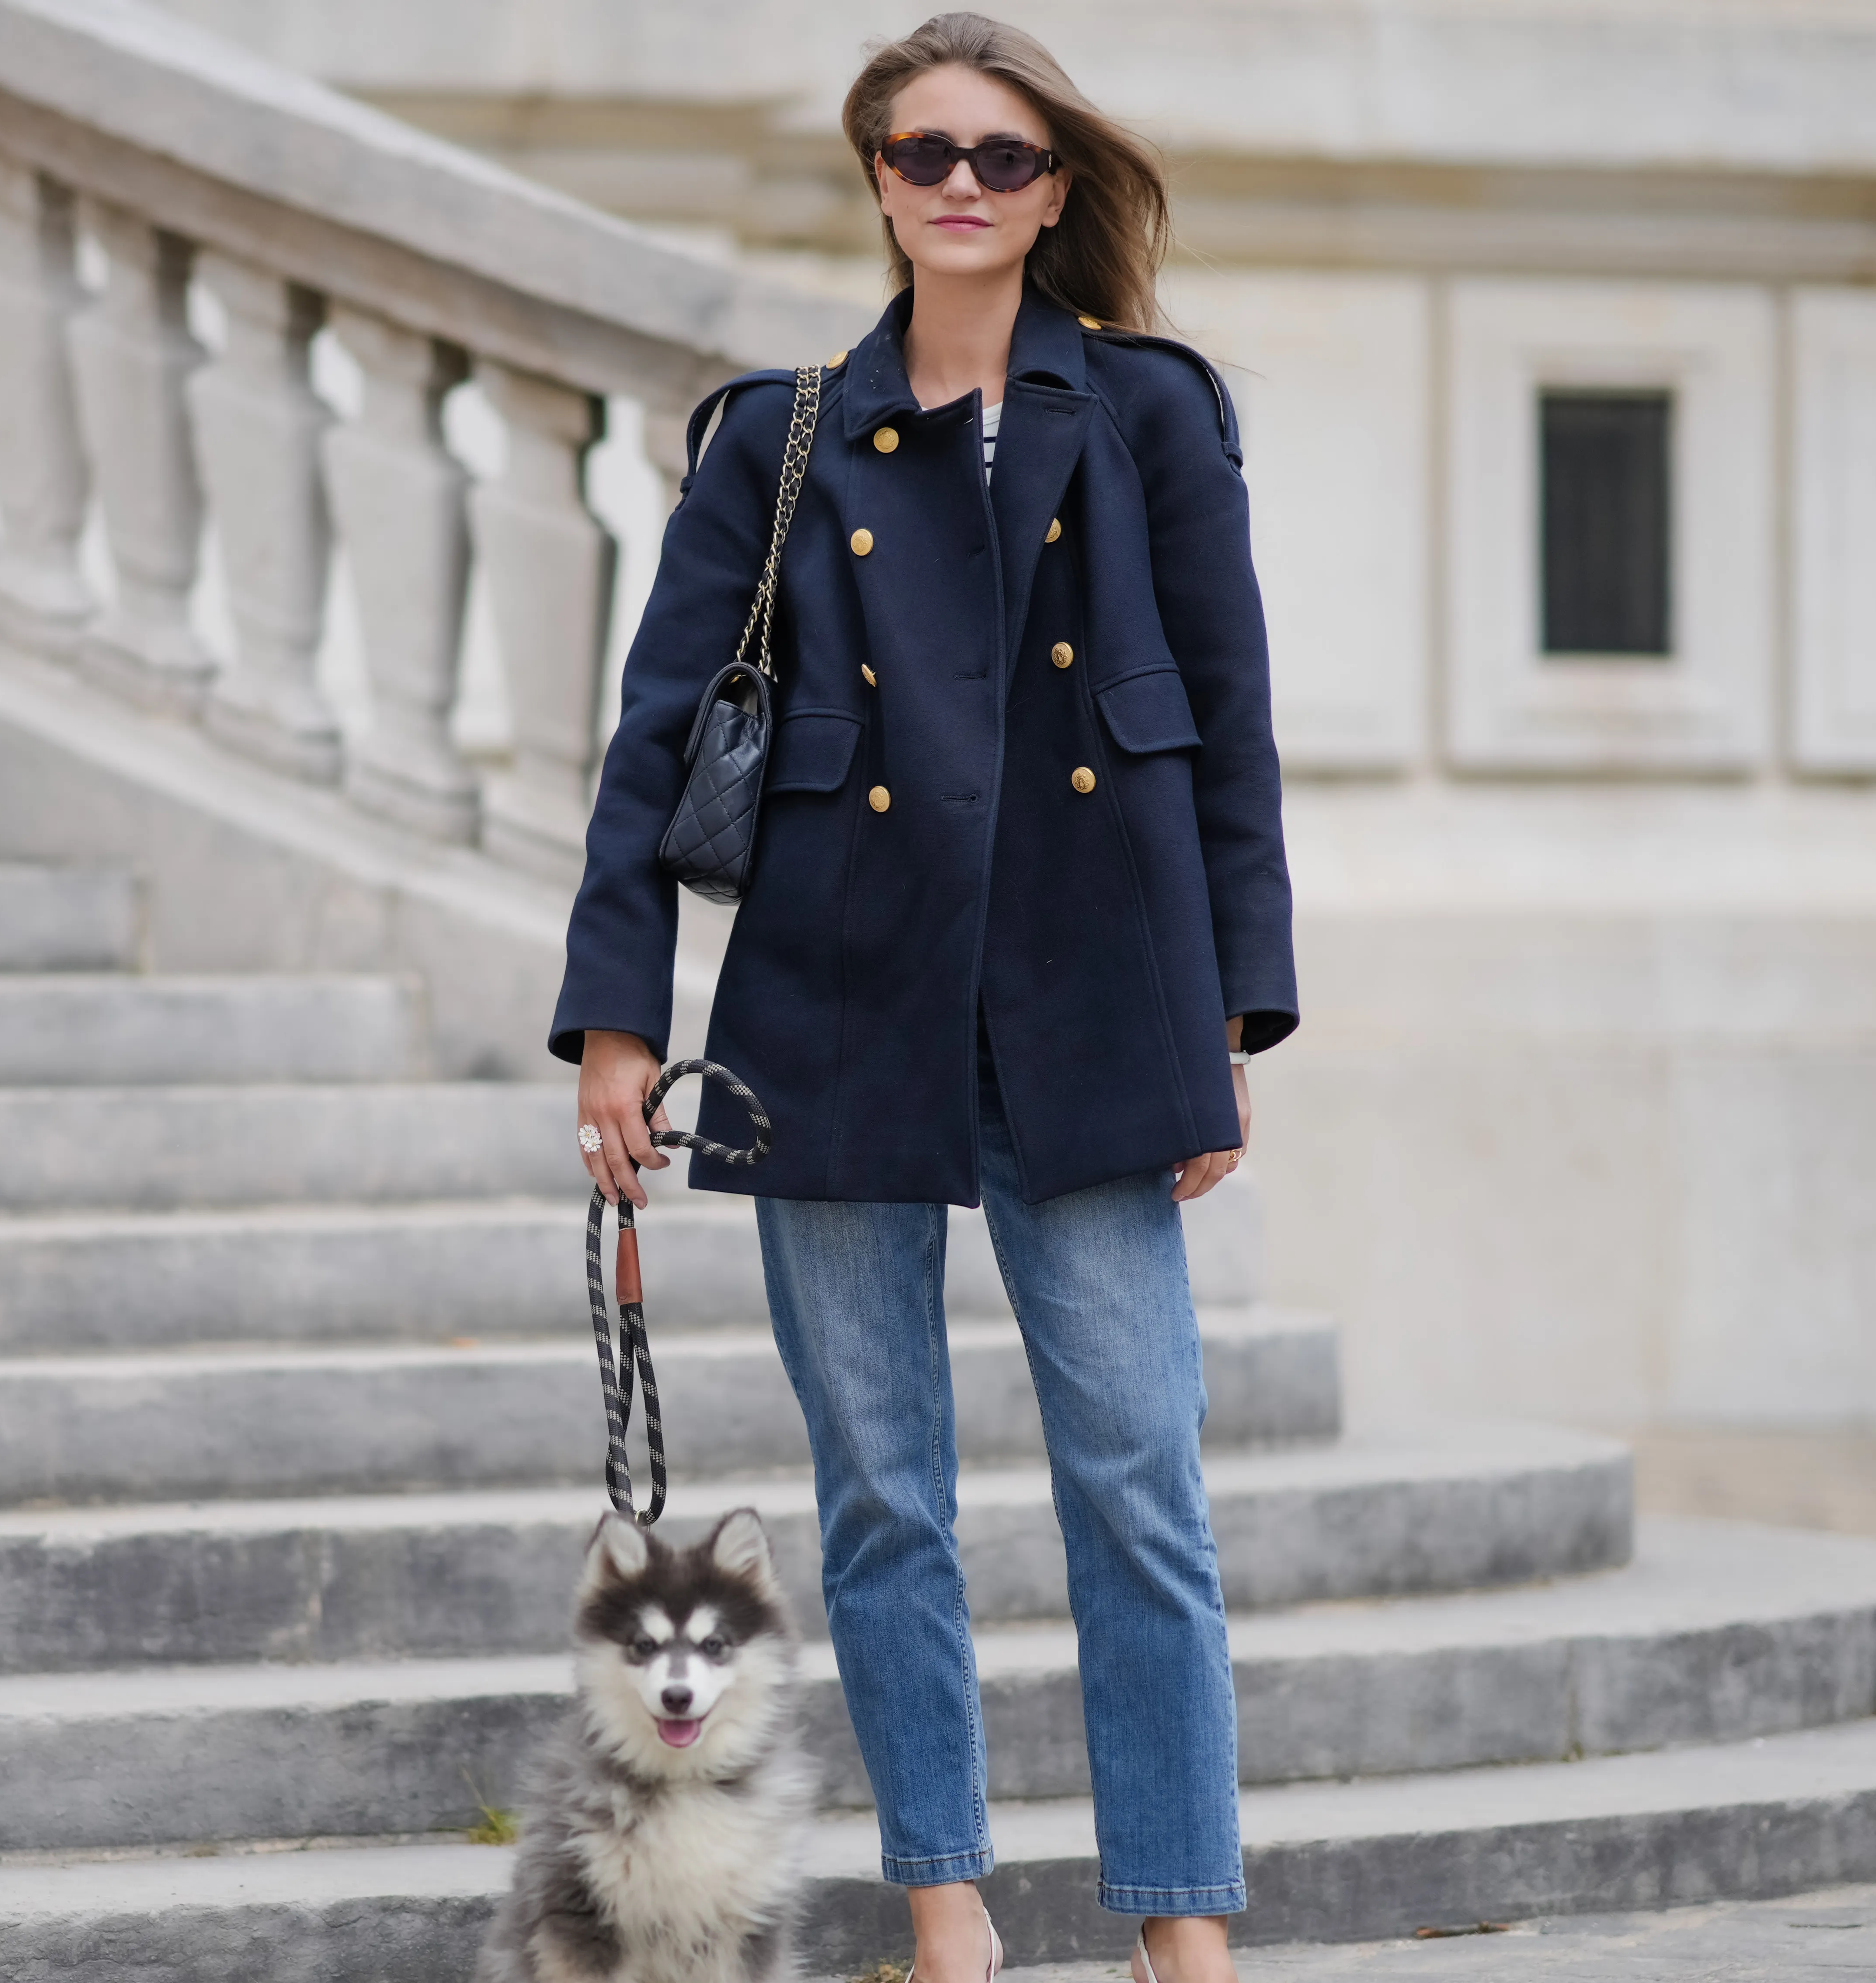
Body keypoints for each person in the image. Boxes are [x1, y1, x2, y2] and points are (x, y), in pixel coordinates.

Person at [551, 12, 1294, 1982]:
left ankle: (1183, 1931)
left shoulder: (1146, 414)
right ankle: (948, 1915)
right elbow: (652, 741)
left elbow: (1228, 728)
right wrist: (621, 1021)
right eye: (926, 152)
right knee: (882, 1501)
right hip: (836, 1013)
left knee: (1140, 1487)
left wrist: (1232, 1017)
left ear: (1056, 190)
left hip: (1089, 1011)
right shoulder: (773, 438)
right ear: (879, 178)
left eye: (1005, 158)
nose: (963, 186)